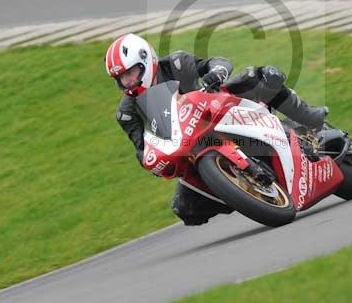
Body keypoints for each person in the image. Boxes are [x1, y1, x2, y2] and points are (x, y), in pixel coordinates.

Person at [105, 33, 328, 226]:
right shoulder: (126, 113)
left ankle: (309, 118)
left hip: (219, 109)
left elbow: (215, 63)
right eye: (121, 78)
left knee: (260, 76)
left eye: (130, 73)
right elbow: (141, 147)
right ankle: (240, 192)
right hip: (189, 150)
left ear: (146, 59)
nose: (128, 81)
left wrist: (217, 72)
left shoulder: (176, 63)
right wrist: (150, 161)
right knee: (185, 209)